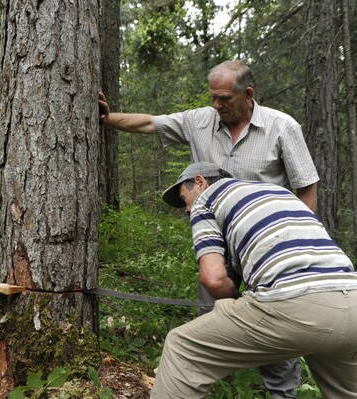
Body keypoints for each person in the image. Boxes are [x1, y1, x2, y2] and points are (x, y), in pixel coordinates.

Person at [99, 60, 318, 397]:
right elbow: (149, 123)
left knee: (274, 317)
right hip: (215, 243)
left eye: (224, 99)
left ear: (248, 94)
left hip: (266, 245)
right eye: (213, 97)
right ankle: (214, 388)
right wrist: (107, 118)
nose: (216, 105)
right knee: (212, 315)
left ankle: (281, 392)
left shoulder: (282, 127)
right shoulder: (200, 120)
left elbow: (306, 187)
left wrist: (297, 239)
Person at [150, 161, 357, 398]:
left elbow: (214, 278)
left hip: (294, 306)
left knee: (181, 346)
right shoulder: (280, 193)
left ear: (200, 182)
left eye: (184, 198)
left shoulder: (205, 200)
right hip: (352, 304)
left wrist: (239, 303)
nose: (186, 209)